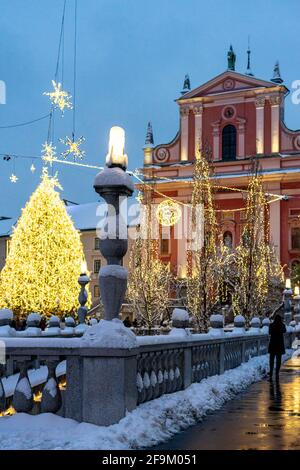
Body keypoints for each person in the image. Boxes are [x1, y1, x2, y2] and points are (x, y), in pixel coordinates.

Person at [268, 314, 286, 381]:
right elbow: (284, 331)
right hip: (279, 345)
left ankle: (271, 372)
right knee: (278, 360)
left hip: (273, 344)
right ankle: (277, 373)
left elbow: (269, 333)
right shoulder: (282, 325)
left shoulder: (271, 325)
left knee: (271, 359)